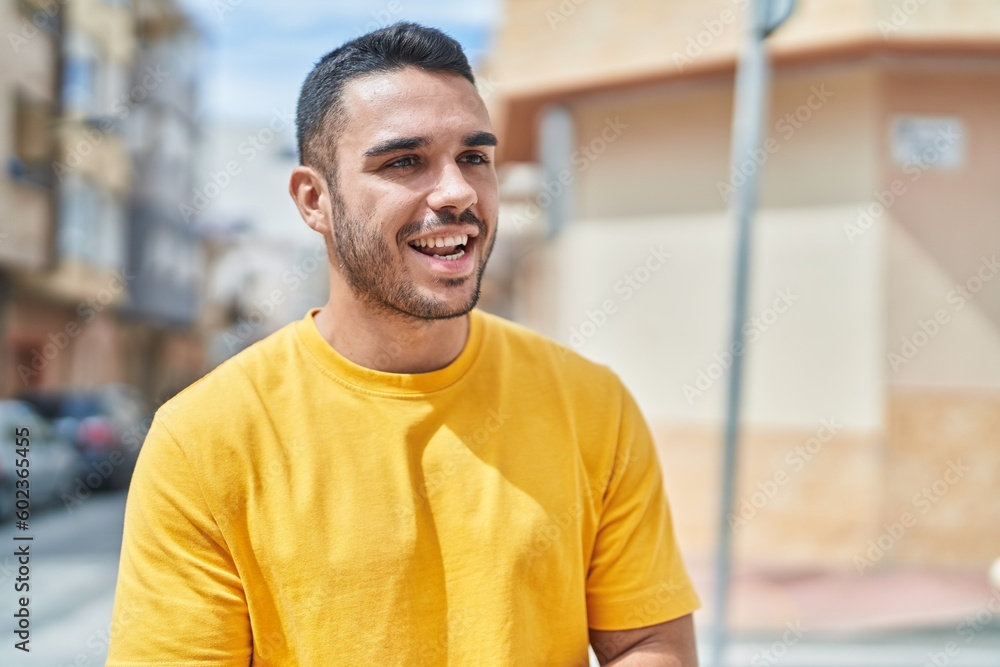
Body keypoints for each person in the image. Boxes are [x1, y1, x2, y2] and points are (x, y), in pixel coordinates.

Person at [107, 22, 700, 666]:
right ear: (314, 200)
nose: (458, 192)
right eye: (403, 162)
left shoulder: (592, 405)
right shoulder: (204, 440)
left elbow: (647, 641)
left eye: (475, 157)